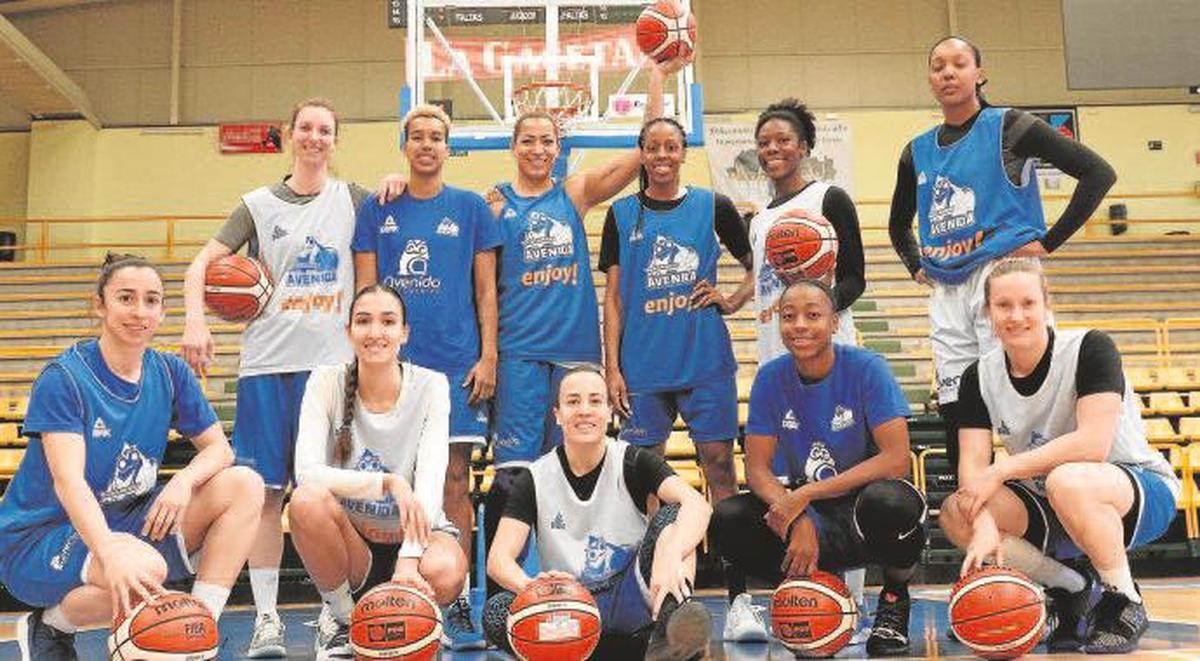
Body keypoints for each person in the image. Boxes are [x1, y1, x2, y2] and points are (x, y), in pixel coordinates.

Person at [481, 55, 686, 590]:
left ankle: (589, 581)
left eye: (547, 141)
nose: (538, 149)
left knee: (575, 474)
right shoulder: (493, 206)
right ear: (513, 147)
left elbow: (645, 150)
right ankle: (516, 589)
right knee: (515, 478)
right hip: (520, 354)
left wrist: (658, 79)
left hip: (576, 357)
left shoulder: (572, 193)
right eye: (528, 140)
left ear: (558, 148)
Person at [0, 254, 264, 661]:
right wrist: (109, 551)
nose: (140, 311)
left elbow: (219, 450)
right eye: (126, 298)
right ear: (100, 305)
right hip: (41, 534)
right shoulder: (65, 378)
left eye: (152, 300)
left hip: (124, 518)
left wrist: (183, 481)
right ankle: (50, 624)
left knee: (245, 484)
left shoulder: (170, 372)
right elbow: (69, 482)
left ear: (162, 311)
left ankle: (199, 629)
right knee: (147, 568)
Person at [181, 98, 371, 658]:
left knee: (323, 494)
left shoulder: (352, 199)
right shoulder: (257, 205)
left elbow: (402, 208)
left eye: (325, 130)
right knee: (264, 496)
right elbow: (200, 265)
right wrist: (196, 320)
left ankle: (332, 615)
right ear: (291, 135)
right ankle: (266, 618)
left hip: (332, 370)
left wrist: (390, 180)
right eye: (306, 128)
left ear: (336, 140)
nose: (315, 138)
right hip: (265, 366)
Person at [887, 36, 1117, 474]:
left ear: (980, 74)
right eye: (938, 66)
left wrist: (1050, 241)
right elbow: (898, 224)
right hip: (948, 286)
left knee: (1032, 394)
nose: (948, 73)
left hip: (1005, 275)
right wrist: (915, 263)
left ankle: (1055, 500)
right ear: (930, 79)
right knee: (957, 403)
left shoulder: (1009, 126)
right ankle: (973, 510)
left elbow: (1097, 172)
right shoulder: (915, 150)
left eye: (959, 64)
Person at [938, 258, 1180, 654]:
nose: (1016, 316)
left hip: (1133, 491)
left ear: (1046, 304)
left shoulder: (1090, 347)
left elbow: (1093, 445)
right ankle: (1071, 588)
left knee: (1067, 478)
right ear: (987, 312)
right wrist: (981, 522)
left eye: (1028, 303)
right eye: (1003, 306)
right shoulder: (977, 377)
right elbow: (972, 470)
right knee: (956, 511)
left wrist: (1006, 468)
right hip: (1051, 499)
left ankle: (1124, 601)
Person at [709, 280, 927, 657]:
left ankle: (894, 601)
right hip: (806, 523)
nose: (800, 325)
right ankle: (753, 604)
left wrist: (806, 495)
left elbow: (896, 459)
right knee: (728, 516)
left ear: (834, 322)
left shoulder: (867, 368)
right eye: (789, 316)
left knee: (894, 501)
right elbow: (757, 469)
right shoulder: (770, 377)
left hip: (860, 515)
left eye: (813, 315)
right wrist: (799, 518)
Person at [352, 103, 501, 647]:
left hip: (458, 363)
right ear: (404, 145)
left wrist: (489, 356)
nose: (427, 145)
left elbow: (486, 291)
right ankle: (392, 589)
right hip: (395, 368)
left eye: (437, 137)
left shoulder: (469, 209)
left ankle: (457, 597)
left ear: (447, 146)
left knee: (455, 480)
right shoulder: (377, 208)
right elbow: (366, 296)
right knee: (394, 479)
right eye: (417, 137)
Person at [599, 115, 753, 632]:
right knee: (646, 485)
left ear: (683, 152)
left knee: (720, 472)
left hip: (704, 360)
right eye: (653, 147)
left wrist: (731, 299)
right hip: (643, 367)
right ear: (642, 153)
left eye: (672, 146)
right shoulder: (621, 215)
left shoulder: (713, 206)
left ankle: (739, 601)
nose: (662, 155)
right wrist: (611, 367)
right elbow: (614, 301)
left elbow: (759, 264)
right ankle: (649, 594)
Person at [484, 366, 713, 661]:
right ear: (557, 414)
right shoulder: (535, 477)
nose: (584, 410)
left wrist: (670, 553)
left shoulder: (632, 460)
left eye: (594, 401)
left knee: (674, 517)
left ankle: (669, 632)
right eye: (573, 401)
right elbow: (498, 560)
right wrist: (537, 589)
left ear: (609, 412)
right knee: (497, 612)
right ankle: (577, 648)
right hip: (569, 608)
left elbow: (697, 504)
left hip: (634, 597)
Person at [288, 284, 467, 660]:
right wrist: (387, 482)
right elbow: (306, 473)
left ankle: (419, 619)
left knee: (449, 569)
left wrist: (409, 559)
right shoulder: (326, 382)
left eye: (388, 322)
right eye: (364, 321)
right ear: (349, 331)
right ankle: (342, 621)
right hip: (354, 549)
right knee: (305, 502)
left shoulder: (431, 386)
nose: (375, 332)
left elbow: (433, 482)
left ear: (404, 332)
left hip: (415, 542)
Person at [749, 98, 866, 358]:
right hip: (773, 350)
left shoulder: (829, 198)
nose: (772, 148)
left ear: (803, 147)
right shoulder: (758, 221)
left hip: (827, 350)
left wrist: (814, 309)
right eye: (763, 143)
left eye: (783, 140)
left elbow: (854, 280)